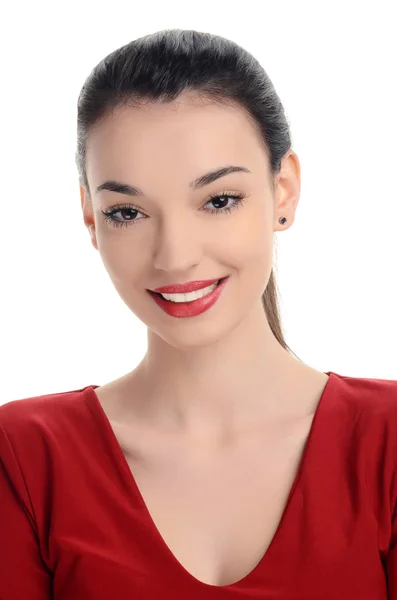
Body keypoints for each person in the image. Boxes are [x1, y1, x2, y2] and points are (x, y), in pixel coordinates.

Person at [0, 28, 396, 599]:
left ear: (282, 190)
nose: (176, 256)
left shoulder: (387, 443)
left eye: (218, 200)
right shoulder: (28, 457)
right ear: (90, 215)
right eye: (128, 212)